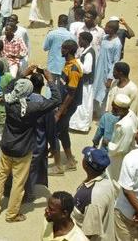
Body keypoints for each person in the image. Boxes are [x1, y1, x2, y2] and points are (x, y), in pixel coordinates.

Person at [0, 68, 60, 223]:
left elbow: (8, 87)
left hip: (7, 146)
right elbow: (56, 99)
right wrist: (49, 79)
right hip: (23, 150)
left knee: (1, 176)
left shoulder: (9, 102)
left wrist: (22, 75)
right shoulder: (32, 108)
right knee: (18, 182)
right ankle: (12, 214)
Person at [50, 40, 83, 176]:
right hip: (63, 104)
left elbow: (71, 93)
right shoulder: (68, 64)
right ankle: (70, 161)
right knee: (63, 132)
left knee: (54, 133)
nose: (61, 50)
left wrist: (60, 112)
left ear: (68, 50)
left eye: (63, 48)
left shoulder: (74, 68)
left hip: (67, 106)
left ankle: (58, 166)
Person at [71, 147, 116, 241]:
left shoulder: (91, 196)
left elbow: (88, 233)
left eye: (85, 157)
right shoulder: (106, 180)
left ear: (86, 165)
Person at [107, 94, 138, 183]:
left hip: (120, 158)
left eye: (115, 109)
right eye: (112, 107)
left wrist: (108, 144)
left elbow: (121, 149)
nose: (112, 110)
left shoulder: (126, 126)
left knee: (115, 179)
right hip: (121, 153)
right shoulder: (130, 113)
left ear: (123, 109)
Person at [92, 20, 122, 113]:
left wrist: (110, 78)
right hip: (98, 69)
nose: (105, 28)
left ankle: (102, 113)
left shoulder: (117, 43)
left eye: (107, 27)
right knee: (94, 89)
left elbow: (115, 62)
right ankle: (93, 110)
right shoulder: (104, 38)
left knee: (104, 92)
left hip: (107, 71)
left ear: (112, 29)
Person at [69, 32, 96, 133]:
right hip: (83, 83)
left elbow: (87, 69)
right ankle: (76, 125)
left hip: (85, 84)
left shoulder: (89, 53)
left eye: (80, 39)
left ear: (85, 40)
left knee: (83, 105)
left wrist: (77, 62)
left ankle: (81, 126)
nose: (79, 41)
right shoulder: (86, 51)